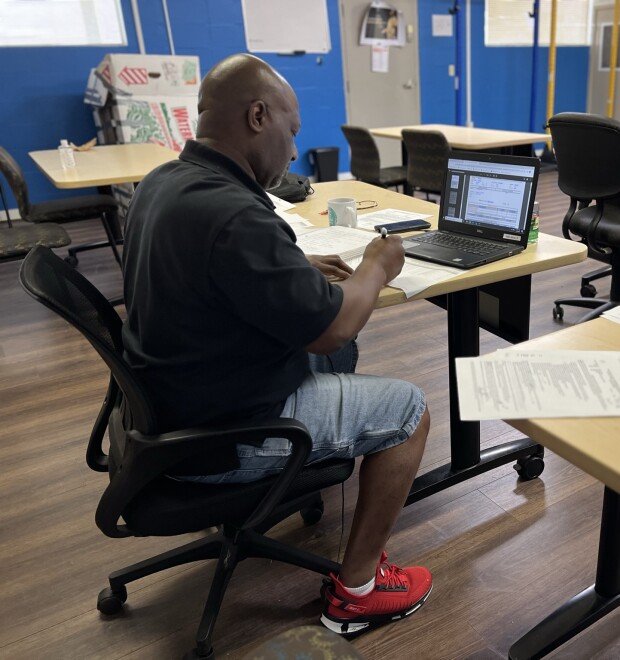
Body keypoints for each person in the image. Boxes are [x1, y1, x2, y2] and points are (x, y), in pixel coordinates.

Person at [121, 53, 432, 636]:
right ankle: (358, 592)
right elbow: (334, 327)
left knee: (340, 363)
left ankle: (291, 483)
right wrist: (377, 265)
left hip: (169, 405)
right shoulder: (233, 212)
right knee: (409, 409)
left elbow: (205, 268)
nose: (293, 152)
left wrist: (289, 264)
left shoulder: (166, 182)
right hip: (221, 434)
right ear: (259, 116)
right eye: (291, 132)